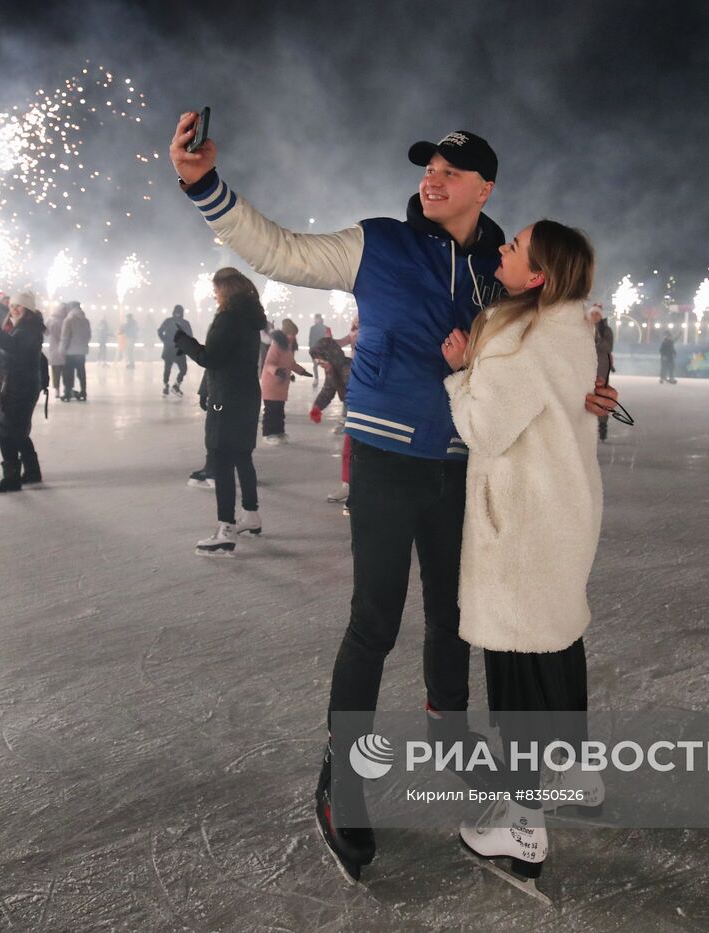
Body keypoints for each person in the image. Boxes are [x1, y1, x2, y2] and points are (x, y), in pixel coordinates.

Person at [169, 115, 620, 882]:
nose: (431, 180)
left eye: (450, 171)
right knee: (374, 620)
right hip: (383, 455)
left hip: (461, 465)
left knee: (453, 617)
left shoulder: (502, 269)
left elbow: (552, 339)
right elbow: (280, 250)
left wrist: (589, 391)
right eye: (428, 168)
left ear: (484, 188)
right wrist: (204, 185)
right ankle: (342, 776)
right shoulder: (378, 242)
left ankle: (451, 739)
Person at [440, 220, 602, 897]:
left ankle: (524, 826)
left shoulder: (522, 341)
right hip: (561, 516)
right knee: (556, 647)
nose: (502, 250)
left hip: (521, 529)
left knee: (517, 675)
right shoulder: (572, 329)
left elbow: (484, 428)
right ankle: (574, 772)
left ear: (538, 276)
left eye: (514, 248)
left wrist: (461, 375)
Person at [172, 268, 267, 555]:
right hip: (247, 396)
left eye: (216, 290)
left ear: (226, 291)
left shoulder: (229, 319)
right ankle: (251, 514)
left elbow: (210, 358)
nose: (214, 296)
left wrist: (185, 342)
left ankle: (226, 528)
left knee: (222, 458)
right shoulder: (250, 319)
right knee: (242, 456)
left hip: (226, 398)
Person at [0, 290, 46, 492]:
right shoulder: (19, 328)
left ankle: (11, 478)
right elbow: (8, 359)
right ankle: (32, 471)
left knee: (6, 432)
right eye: (11, 306)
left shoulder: (28, 330)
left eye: (19, 306)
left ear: (28, 309)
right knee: (16, 431)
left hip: (18, 388)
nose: (14, 309)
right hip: (14, 385)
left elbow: (13, 348)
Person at [309, 335, 352, 504]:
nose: (319, 364)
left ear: (331, 357)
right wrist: (317, 407)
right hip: (352, 413)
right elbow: (328, 390)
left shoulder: (349, 369)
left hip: (361, 413)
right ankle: (349, 485)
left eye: (321, 360)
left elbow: (358, 395)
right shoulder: (333, 370)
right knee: (350, 452)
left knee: (351, 452)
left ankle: (351, 486)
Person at [260, 317, 311, 444]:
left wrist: (302, 371)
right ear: (285, 334)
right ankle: (268, 434)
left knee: (279, 410)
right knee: (271, 410)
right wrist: (277, 371)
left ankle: (279, 432)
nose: (293, 337)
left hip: (282, 384)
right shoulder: (276, 345)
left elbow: (291, 363)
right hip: (271, 383)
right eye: (291, 334)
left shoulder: (288, 347)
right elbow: (268, 364)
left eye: (295, 334)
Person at [588, 305, 614, 441]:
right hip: (585, 365)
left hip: (601, 366)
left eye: (597, 314)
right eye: (592, 314)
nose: (594, 316)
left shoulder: (605, 330)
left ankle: (602, 425)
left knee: (600, 393)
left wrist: (597, 337)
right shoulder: (583, 327)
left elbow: (608, 347)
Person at [157, 304, 194, 396]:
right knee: (183, 369)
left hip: (170, 348)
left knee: (168, 368)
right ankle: (176, 384)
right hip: (179, 349)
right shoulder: (185, 323)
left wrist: (165, 340)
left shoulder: (168, 321)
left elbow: (160, 331)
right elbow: (190, 336)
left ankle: (166, 385)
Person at [59, 302, 91, 401]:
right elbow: (88, 335)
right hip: (81, 351)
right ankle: (83, 392)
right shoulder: (86, 320)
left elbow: (65, 337)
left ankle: (67, 393)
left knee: (68, 373)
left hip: (70, 351)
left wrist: (62, 349)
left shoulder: (68, 320)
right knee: (81, 372)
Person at [45, 302, 71, 392]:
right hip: (65, 348)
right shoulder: (67, 320)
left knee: (55, 371)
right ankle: (67, 389)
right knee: (66, 371)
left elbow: (46, 332)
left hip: (54, 349)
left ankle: (57, 389)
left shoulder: (51, 320)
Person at [308, 313, 330, 387]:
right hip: (316, 349)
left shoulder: (325, 328)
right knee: (316, 365)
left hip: (322, 349)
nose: (315, 320)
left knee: (324, 365)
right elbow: (310, 339)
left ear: (319, 319)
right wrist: (310, 348)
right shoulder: (313, 328)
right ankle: (316, 379)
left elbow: (328, 339)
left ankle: (324, 380)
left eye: (316, 318)